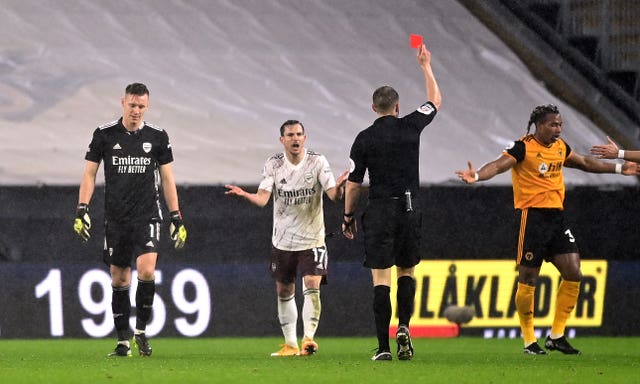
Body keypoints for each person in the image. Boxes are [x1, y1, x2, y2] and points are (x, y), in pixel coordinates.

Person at [455, 104, 639, 355]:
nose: (558, 129)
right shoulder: (523, 147)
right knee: (529, 278)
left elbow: (584, 162)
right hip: (532, 218)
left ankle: (557, 335)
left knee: (573, 271)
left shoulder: (560, 147)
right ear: (539, 125)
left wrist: (620, 168)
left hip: (557, 218)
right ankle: (529, 340)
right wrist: (476, 176)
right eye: (553, 125)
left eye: (560, 125)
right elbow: (498, 165)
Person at [342, 43, 442, 361]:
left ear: (374, 108)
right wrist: (425, 66)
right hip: (410, 206)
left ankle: (383, 347)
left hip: (381, 208)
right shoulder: (411, 125)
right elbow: (435, 101)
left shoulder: (364, 138)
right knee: (407, 272)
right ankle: (404, 327)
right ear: (397, 107)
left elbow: (354, 182)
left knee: (380, 277)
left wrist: (347, 217)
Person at [73, 83, 187, 357]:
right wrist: (82, 208)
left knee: (147, 270)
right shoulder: (104, 134)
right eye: (132, 105)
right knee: (120, 278)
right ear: (123, 102)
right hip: (117, 218)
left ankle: (141, 332)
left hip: (148, 213)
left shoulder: (158, 137)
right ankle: (123, 340)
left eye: (141, 106)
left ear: (147, 106)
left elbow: (168, 179)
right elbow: (89, 174)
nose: (136, 111)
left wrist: (176, 217)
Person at [225, 120, 348, 357]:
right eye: (290, 135)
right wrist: (244, 195)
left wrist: (340, 187)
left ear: (305, 137)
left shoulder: (318, 162)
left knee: (312, 285)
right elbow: (262, 199)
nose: (295, 138)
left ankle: (309, 339)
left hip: (313, 238)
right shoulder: (274, 164)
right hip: (283, 240)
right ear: (282, 140)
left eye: (299, 134)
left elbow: (334, 196)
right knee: (284, 291)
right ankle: (290, 344)